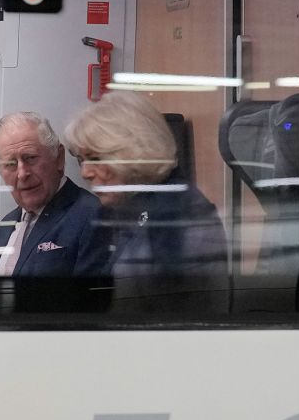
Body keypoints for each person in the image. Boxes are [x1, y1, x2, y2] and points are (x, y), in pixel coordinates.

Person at [65, 91, 229, 310]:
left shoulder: (178, 218)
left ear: (134, 152)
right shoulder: (123, 210)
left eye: (96, 158)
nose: (85, 172)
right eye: (81, 160)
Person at [0, 111, 108, 279]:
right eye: (10, 164)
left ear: (59, 159)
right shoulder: (6, 225)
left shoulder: (91, 216)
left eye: (30, 158)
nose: (22, 173)